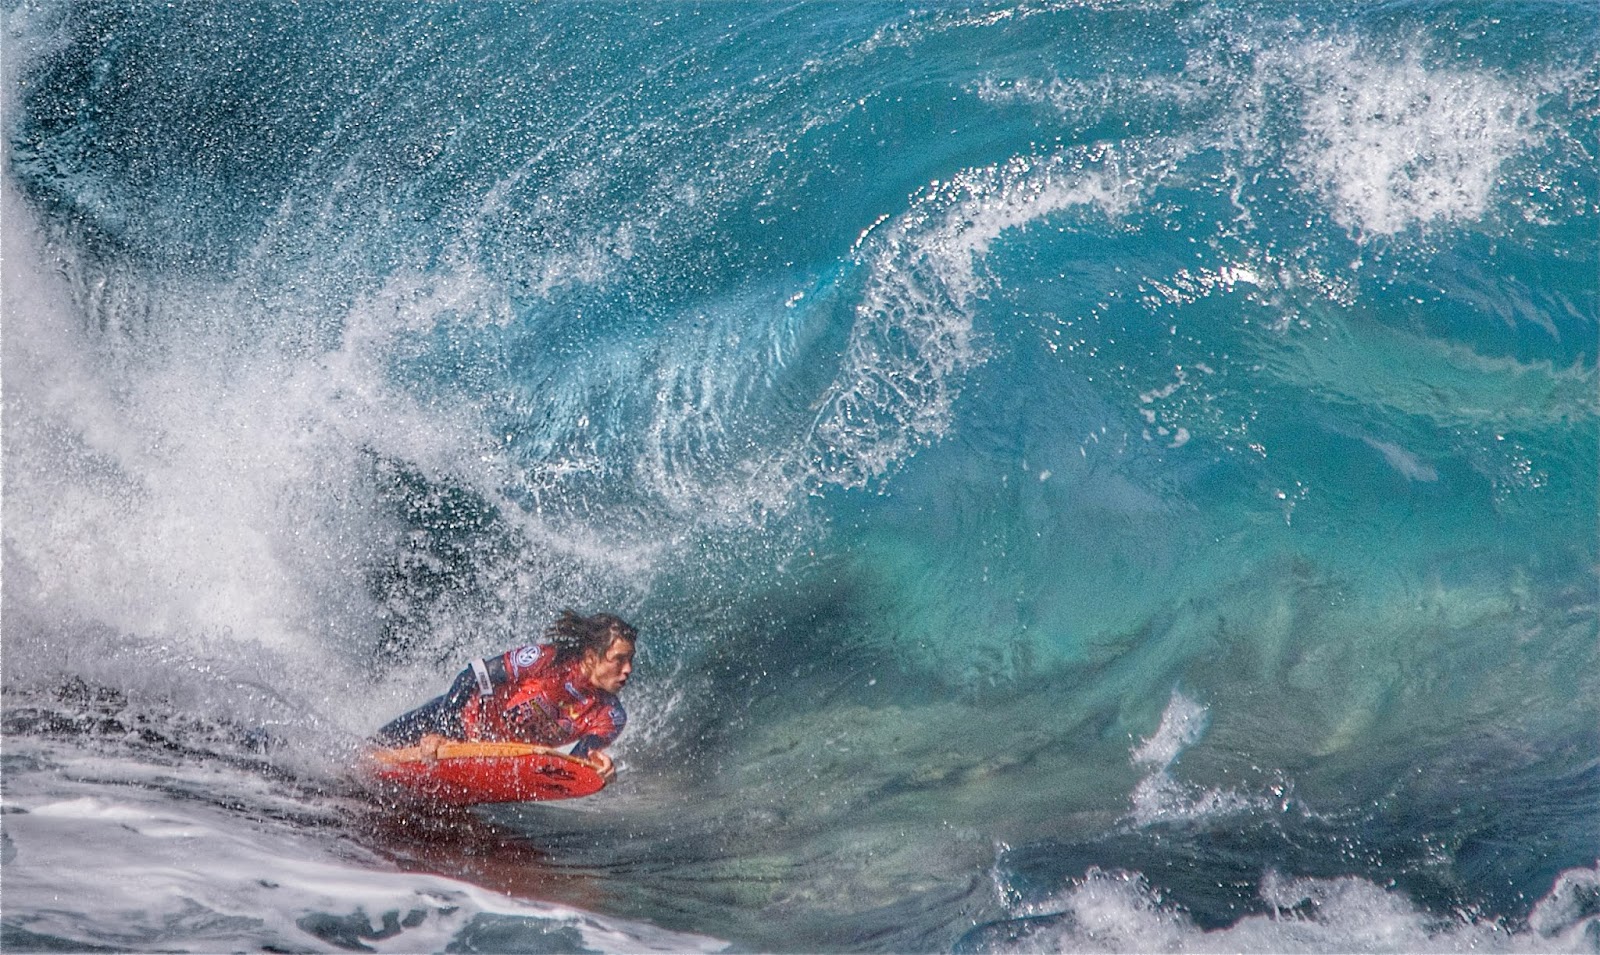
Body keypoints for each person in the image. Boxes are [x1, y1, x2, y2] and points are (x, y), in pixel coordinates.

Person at [375, 610, 636, 780]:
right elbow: (471, 677)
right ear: (590, 657)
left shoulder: (611, 717)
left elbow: (573, 764)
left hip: (490, 757)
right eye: (619, 659)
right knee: (367, 755)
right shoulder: (546, 660)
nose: (628, 670)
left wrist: (597, 770)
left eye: (630, 660)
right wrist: (443, 732)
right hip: (451, 717)